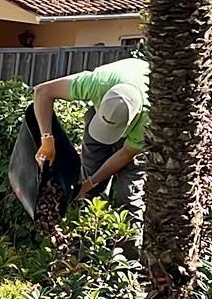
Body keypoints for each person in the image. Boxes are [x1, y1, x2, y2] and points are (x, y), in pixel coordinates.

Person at [32, 56, 149, 216]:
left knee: (128, 194)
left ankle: (129, 238)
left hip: (138, 122)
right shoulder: (97, 83)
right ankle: (88, 230)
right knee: (90, 189)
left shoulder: (147, 121)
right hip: (110, 96)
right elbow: (42, 92)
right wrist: (47, 139)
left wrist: (93, 181)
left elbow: (125, 154)